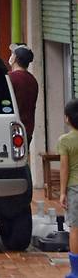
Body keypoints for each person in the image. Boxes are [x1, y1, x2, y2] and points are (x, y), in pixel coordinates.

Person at [58, 99, 78, 275]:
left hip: (74, 188)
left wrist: (62, 192)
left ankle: (76, 271)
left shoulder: (65, 141)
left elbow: (64, 168)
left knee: (75, 228)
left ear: (67, 118)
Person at [8, 44, 39, 146]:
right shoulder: (32, 80)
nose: (10, 56)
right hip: (27, 129)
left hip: (11, 128)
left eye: (12, 54)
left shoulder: (10, 78)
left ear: (15, 58)